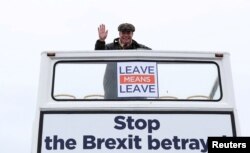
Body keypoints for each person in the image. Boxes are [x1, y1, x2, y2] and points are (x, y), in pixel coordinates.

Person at [95, 23, 151, 99]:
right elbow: (98, 55)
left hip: (135, 95)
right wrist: (101, 41)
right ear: (119, 34)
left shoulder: (140, 48)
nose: (126, 35)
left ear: (132, 34)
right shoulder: (110, 48)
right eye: (123, 33)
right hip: (113, 93)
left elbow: (152, 55)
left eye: (128, 33)